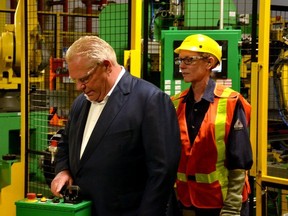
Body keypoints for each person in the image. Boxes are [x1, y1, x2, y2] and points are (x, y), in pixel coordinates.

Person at [50, 35, 181, 216]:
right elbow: (66, 141)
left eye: (85, 79)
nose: (79, 86)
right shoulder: (81, 103)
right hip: (86, 209)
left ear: (106, 66)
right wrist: (63, 170)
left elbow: (163, 171)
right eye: (75, 80)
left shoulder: (150, 100)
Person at [170, 34, 253, 216]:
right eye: (180, 60)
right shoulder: (176, 103)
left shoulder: (231, 102)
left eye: (189, 60)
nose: (182, 66)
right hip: (187, 202)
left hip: (222, 204)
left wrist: (232, 207)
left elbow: (239, 160)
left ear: (209, 63)